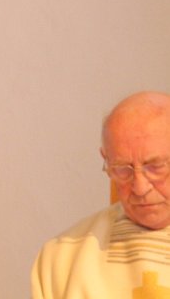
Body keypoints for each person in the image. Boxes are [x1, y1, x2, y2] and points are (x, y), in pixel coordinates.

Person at [31, 91, 170, 299]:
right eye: (122, 169)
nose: (140, 188)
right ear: (106, 158)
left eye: (155, 166)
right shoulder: (61, 259)